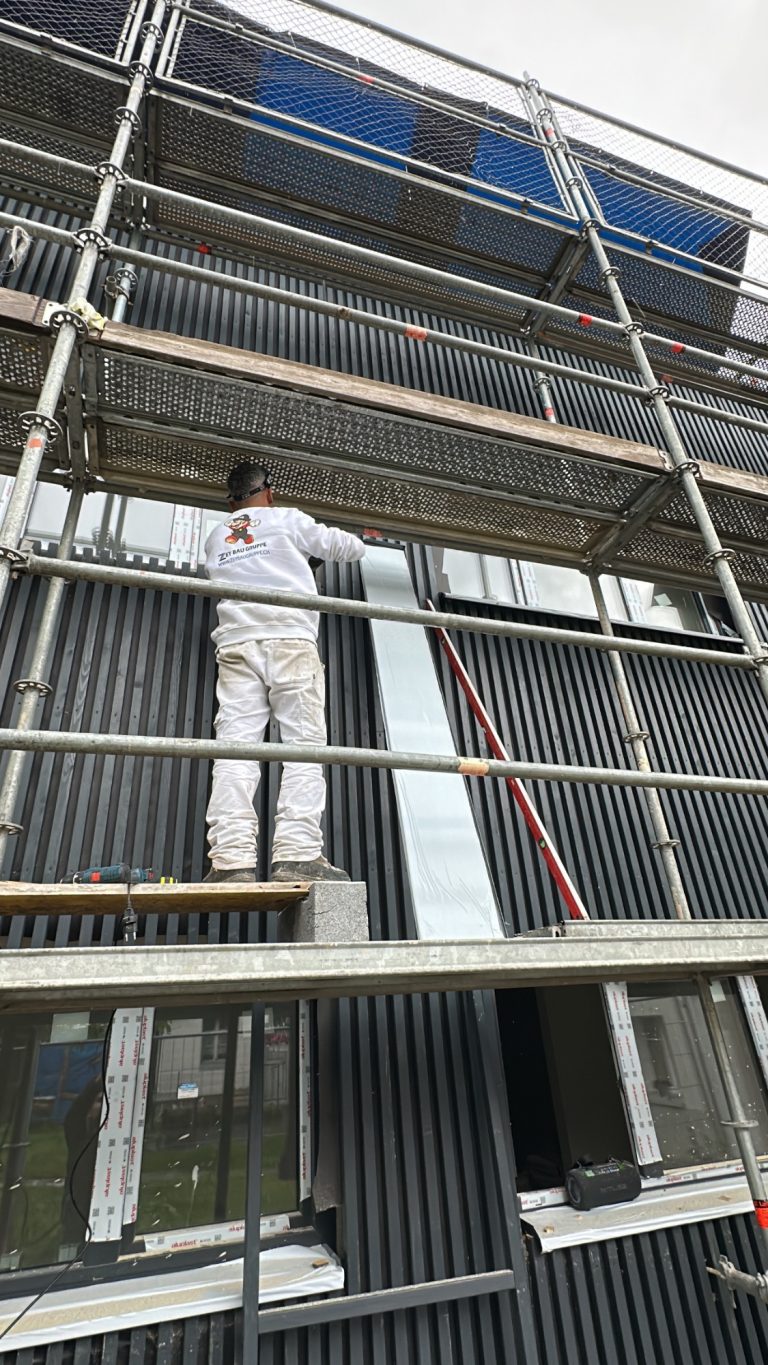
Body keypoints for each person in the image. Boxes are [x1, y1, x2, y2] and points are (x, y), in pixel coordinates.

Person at [202, 460, 366, 883]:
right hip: (290, 639)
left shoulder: (216, 536)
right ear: (269, 493)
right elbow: (347, 548)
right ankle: (297, 853)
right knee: (303, 749)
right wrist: (353, 540)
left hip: (237, 644)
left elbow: (246, 568)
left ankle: (230, 861)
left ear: (231, 503)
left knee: (235, 750)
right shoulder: (287, 519)